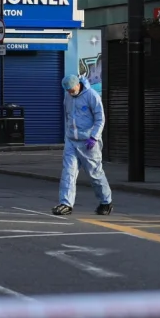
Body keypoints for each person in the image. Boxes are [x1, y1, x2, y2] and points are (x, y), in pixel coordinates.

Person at [53, 73, 112, 216]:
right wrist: (68, 135)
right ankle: (66, 203)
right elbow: (68, 116)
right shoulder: (68, 96)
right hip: (72, 140)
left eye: (72, 90)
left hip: (88, 142)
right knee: (68, 172)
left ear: (78, 85)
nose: (70, 93)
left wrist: (94, 137)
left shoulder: (91, 96)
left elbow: (100, 118)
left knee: (95, 174)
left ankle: (106, 202)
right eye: (68, 91)